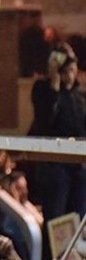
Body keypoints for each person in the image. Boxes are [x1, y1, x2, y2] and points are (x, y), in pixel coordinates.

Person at [30, 46, 86, 220]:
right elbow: (45, 120)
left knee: (78, 215)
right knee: (57, 217)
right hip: (54, 166)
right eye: (65, 72)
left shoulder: (78, 95)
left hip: (78, 165)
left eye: (72, 71)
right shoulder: (42, 89)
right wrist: (54, 85)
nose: (69, 76)